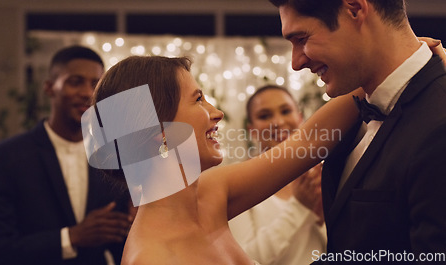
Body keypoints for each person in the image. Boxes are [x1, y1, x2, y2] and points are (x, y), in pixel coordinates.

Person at [88, 55, 364, 265]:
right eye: (198, 101)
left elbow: (307, 141)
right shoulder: (152, 257)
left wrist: (390, 71)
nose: (217, 112)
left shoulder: (211, 191)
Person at [269, 0, 446, 263]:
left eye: (302, 38)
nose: (296, 62)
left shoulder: (439, 124)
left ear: (354, 9)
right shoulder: (351, 115)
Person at [0, 46, 133, 265]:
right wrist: (72, 237)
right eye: (75, 82)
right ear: (50, 87)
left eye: (95, 84)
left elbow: (121, 241)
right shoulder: (7, 157)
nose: (87, 93)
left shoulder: (113, 156)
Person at [229, 85, 326, 265]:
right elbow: (243, 259)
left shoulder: (319, 173)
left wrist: (321, 218)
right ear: (252, 129)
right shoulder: (238, 180)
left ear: (300, 118)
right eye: (265, 116)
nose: (278, 122)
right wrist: (299, 207)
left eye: (285, 111)